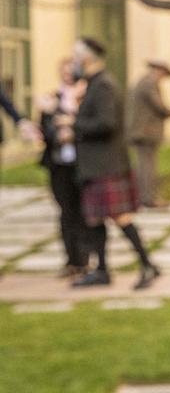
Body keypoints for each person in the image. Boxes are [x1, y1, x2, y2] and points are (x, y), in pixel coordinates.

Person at [66, 38, 161, 290]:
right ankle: (102, 270)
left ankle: (147, 265)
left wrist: (73, 126)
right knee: (95, 219)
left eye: (76, 55)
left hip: (106, 165)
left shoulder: (104, 85)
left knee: (121, 217)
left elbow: (107, 123)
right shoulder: (94, 84)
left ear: (87, 57)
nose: (74, 60)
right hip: (95, 165)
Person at [36, 59, 89, 278]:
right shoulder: (52, 99)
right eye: (64, 72)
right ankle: (71, 260)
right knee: (65, 212)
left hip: (82, 164)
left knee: (84, 212)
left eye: (72, 72)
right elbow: (44, 131)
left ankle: (86, 259)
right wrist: (57, 132)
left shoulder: (86, 99)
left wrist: (72, 126)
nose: (68, 76)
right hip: (59, 164)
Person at [125, 60, 170, 208]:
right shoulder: (149, 83)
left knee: (144, 165)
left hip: (142, 131)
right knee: (147, 166)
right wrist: (169, 112)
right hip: (146, 132)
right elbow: (157, 104)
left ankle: (144, 197)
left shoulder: (143, 82)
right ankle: (147, 198)